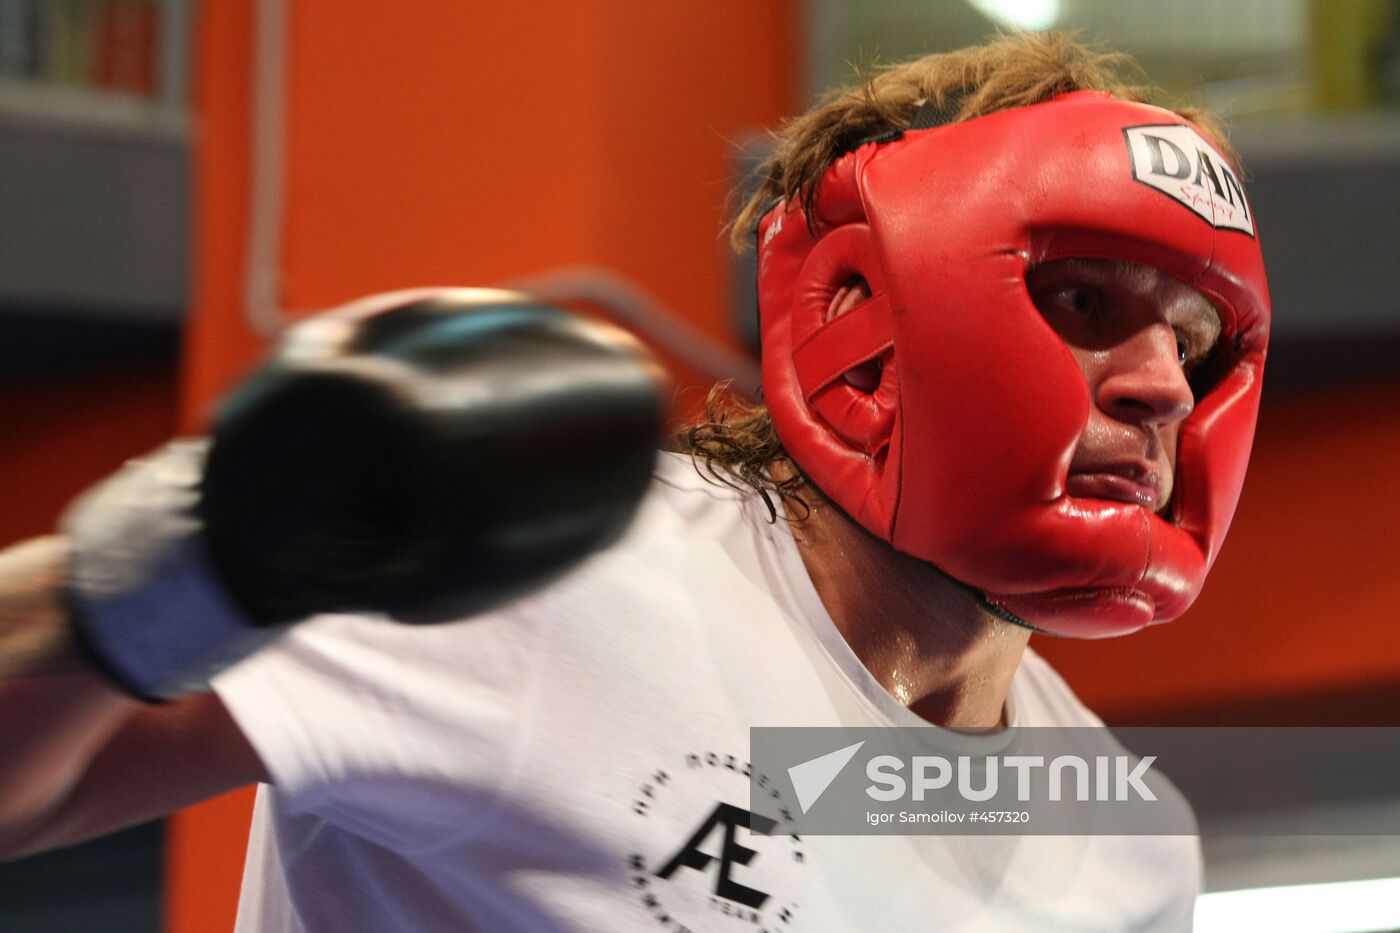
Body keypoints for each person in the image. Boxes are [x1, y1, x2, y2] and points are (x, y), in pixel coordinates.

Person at [0, 32, 1268, 932]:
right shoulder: (565, 575)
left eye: (1193, 341)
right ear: (866, 315)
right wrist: (196, 550)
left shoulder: (1118, 849)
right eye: (1082, 301)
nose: (1158, 385)